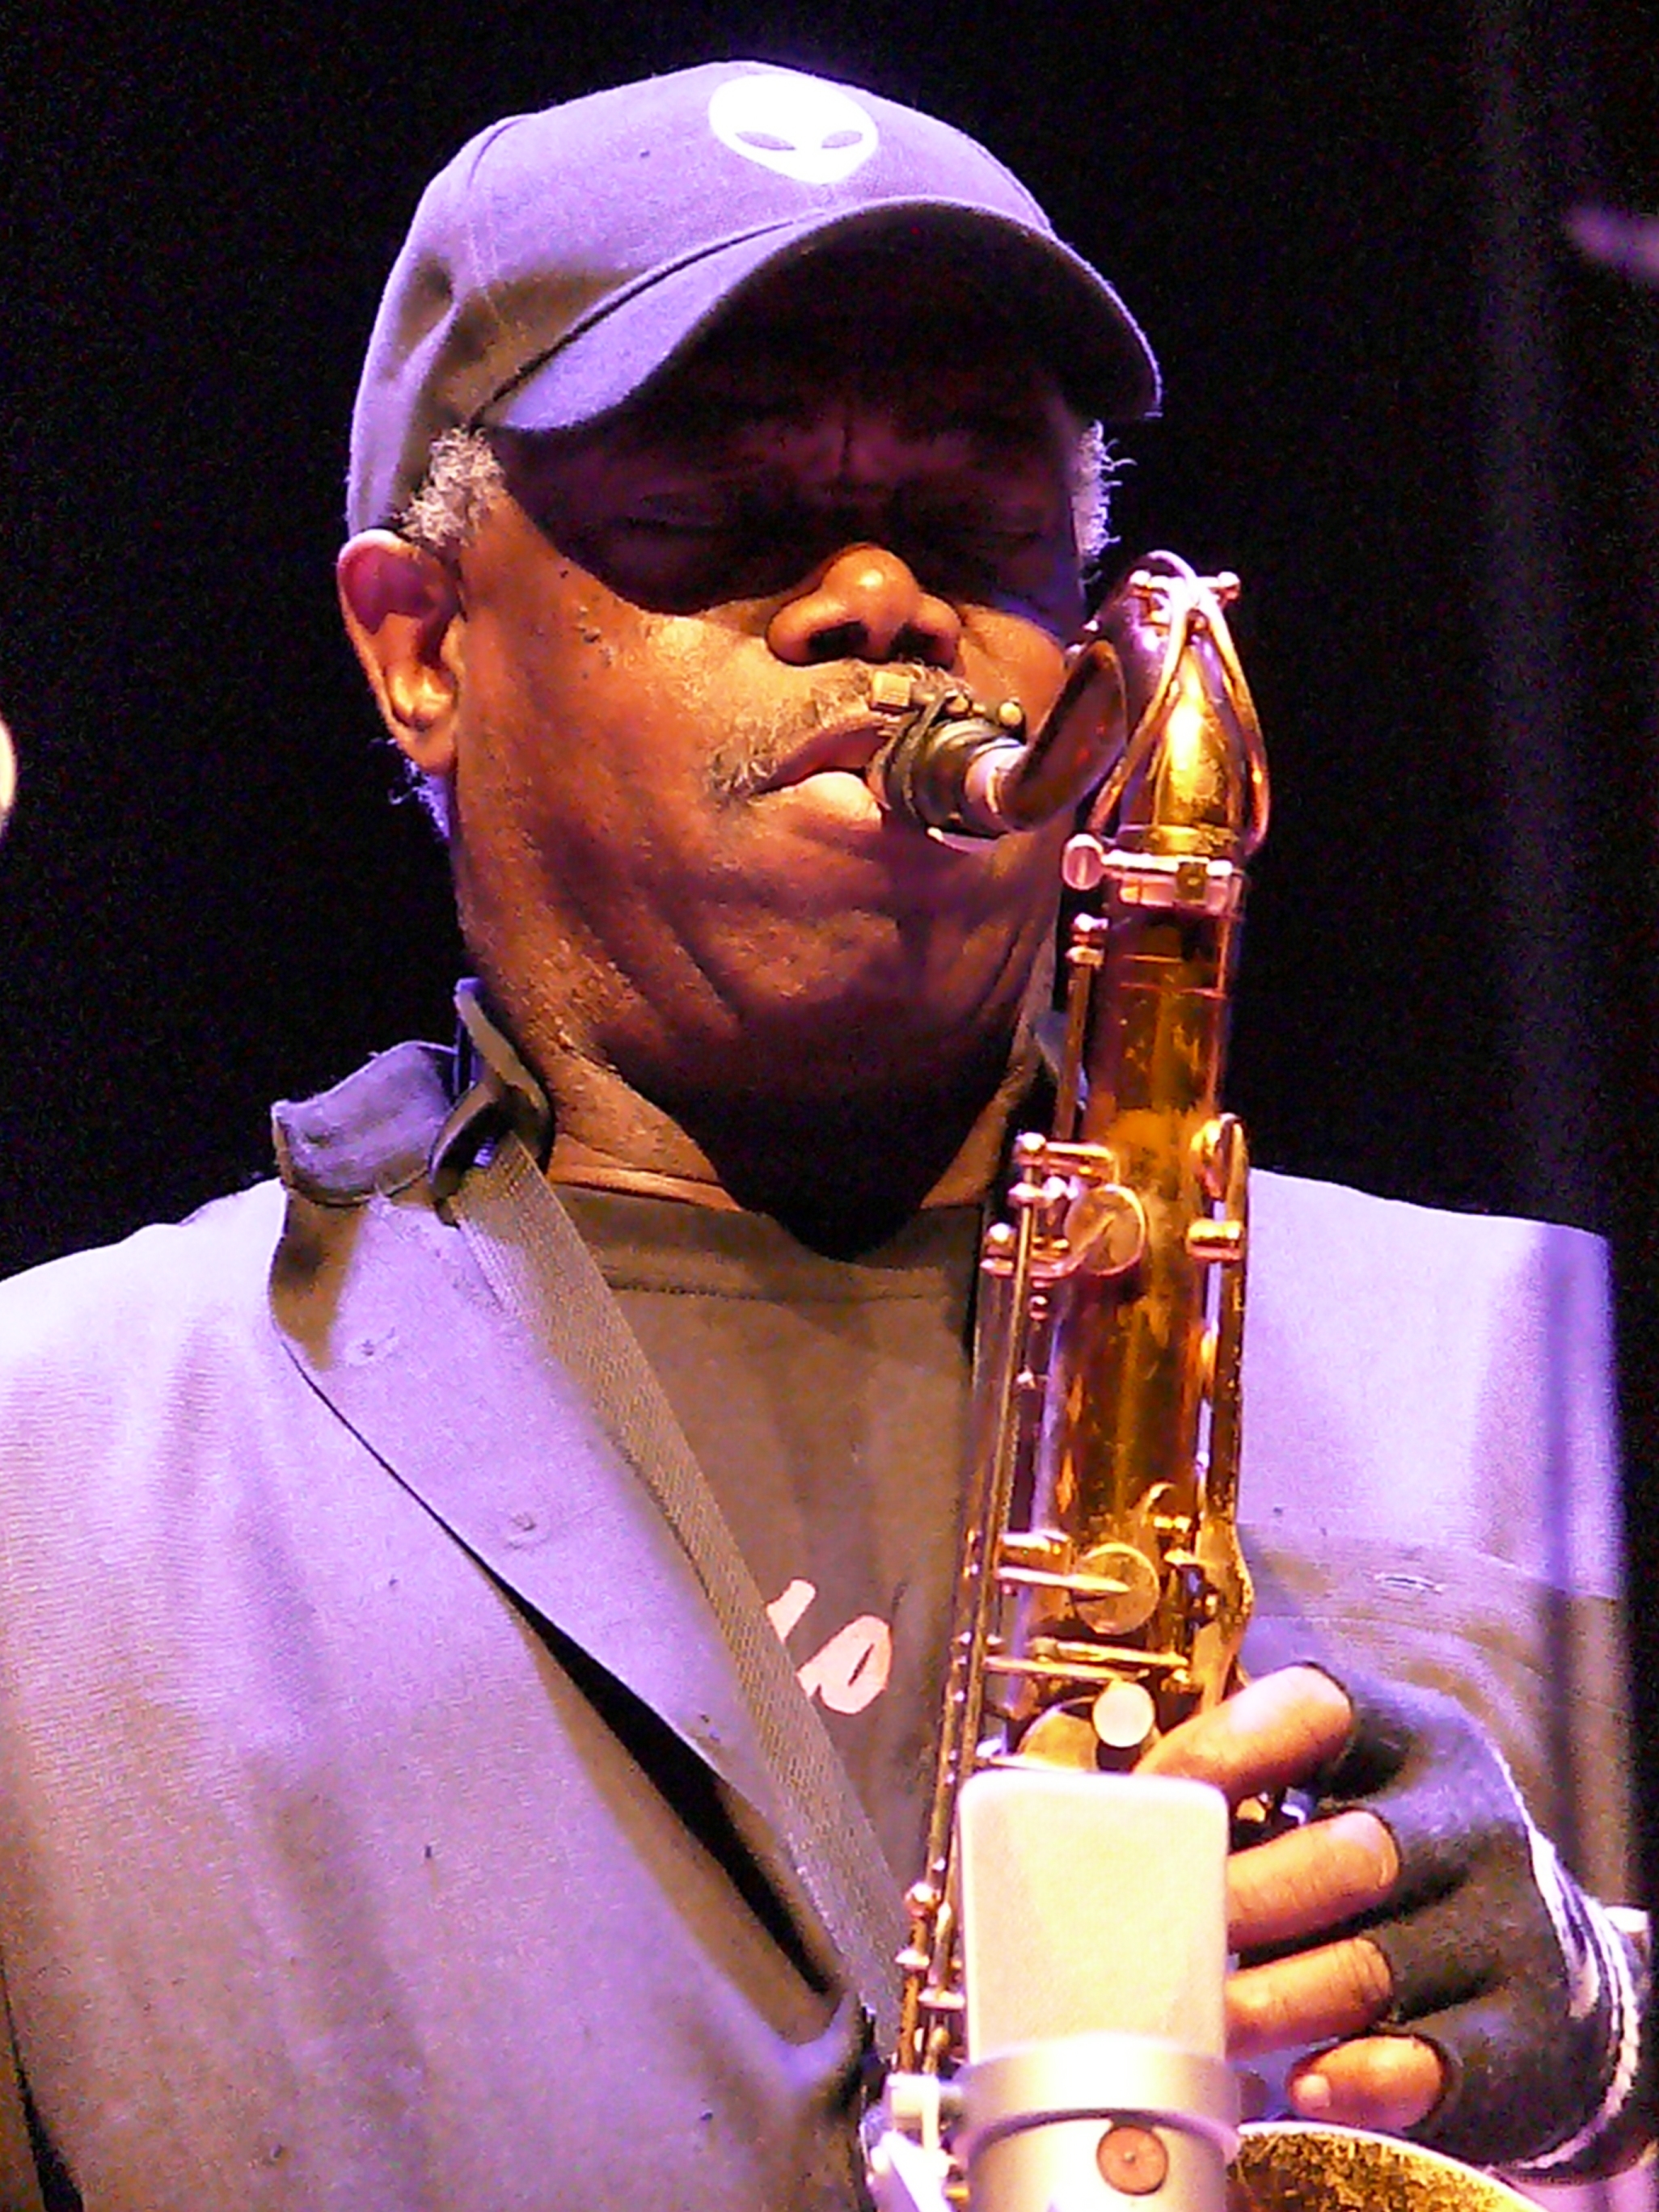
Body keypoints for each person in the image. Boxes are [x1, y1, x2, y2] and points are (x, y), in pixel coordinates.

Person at [0, 59, 1645, 2211]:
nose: (876, 601)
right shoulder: (51, 1464)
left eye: (972, 527)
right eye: (723, 515)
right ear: (418, 649)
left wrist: (1611, 2045)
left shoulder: (1560, 1373)